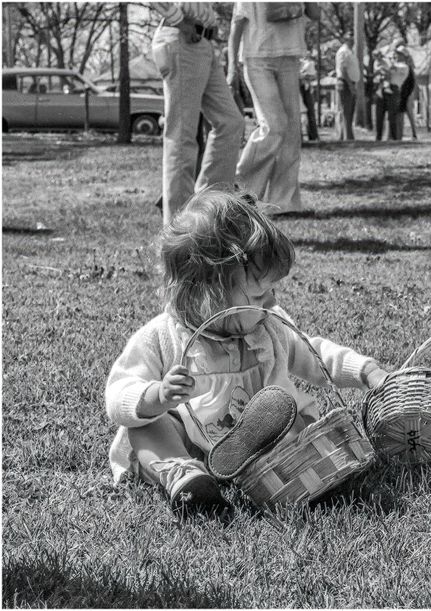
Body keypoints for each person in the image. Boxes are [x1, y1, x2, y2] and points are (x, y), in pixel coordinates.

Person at [106, 187, 389, 515]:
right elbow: (119, 393)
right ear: (207, 293)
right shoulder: (163, 337)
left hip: (269, 447)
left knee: (291, 415)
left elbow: (315, 354)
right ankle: (185, 477)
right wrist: (157, 395)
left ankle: (289, 465)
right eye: (258, 295)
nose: (271, 302)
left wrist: (366, 371)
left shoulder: (268, 326)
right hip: (197, 449)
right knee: (146, 425)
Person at [150, 3, 245, 226]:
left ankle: (207, 208)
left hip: (202, 42)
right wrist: (180, 21)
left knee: (231, 122)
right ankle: (179, 226)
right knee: (182, 134)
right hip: (181, 38)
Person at [228, 3, 319, 216]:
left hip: (290, 58)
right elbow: (237, 24)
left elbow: (315, 13)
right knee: (274, 125)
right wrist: (232, 66)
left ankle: (284, 203)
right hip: (257, 58)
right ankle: (242, 191)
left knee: (291, 133)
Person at [335, 32, 359, 141]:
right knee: (345, 110)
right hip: (345, 82)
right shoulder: (343, 51)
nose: (353, 40)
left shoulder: (350, 51)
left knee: (349, 110)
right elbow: (343, 70)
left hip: (350, 83)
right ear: (345, 39)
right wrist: (350, 85)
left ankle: (348, 135)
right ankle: (345, 136)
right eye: (350, 38)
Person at [394, 44, 418, 141]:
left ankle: (414, 133)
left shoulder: (407, 68)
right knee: (400, 114)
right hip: (401, 93)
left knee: (409, 114)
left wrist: (410, 94)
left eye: (399, 54)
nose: (397, 56)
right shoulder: (398, 66)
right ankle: (399, 133)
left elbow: (412, 82)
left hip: (407, 93)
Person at [299, 52, 320, 142]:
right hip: (300, 87)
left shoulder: (309, 63)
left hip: (305, 87)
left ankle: (313, 134)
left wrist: (305, 76)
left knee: (310, 112)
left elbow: (312, 75)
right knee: (303, 112)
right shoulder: (300, 62)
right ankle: (307, 134)